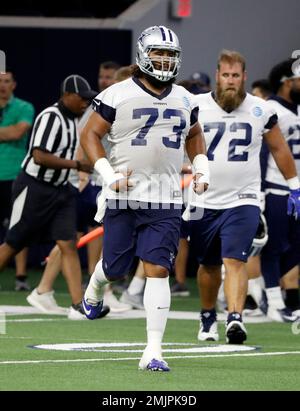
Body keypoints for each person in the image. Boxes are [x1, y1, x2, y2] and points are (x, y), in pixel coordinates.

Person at [81, 25, 209, 372]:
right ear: (143, 54)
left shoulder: (185, 98)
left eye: (170, 55)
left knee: (158, 270)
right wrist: (107, 174)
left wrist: (200, 166)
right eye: (158, 53)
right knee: (115, 267)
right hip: (124, 194)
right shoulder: (117, 93)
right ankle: (95, 285)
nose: (165, 60)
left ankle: (153, 350)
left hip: (165, 198)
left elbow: (194, 134)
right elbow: (90, 134)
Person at [188, 50, 300, 344]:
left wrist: (295, 185)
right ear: (217, 75)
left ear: (244, 77)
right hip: (203, 198)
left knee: (234, 259)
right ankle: (208, 315)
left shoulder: (260, 108)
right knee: (209, 265)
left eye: (236, 75)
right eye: (226, 75)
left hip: (244, 198)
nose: (230, 81)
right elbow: (177, 143)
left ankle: (235, 318)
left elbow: (278, 148)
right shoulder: (195, 106)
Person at [0, 74, 110, 319]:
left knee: (68, 243)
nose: (84, 103)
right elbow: (39, 156)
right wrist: (77, 165)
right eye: (81, 98)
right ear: (67, 95)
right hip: (34, 187)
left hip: (60, 190)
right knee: (13, 243)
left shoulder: (73, 119)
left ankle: (78, 305)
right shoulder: (51, 116)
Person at [260, 58, 300, 321]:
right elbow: (265, 152)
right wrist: (261, 190)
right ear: (287, 82)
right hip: (276, 188)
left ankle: (287, 300)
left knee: (295, 248)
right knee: (273, 246)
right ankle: (273, 301)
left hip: (296, 189)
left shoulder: (296, 110)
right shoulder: (270, 109)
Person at [0, 69, 34, 291]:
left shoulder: (24, 107)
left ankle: (21, 276)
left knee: (18, 226)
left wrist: (11, 131)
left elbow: (17, 133)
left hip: (14, 175)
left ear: (14, 84)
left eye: (6, 81)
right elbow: (10, 132)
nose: (2, 85)